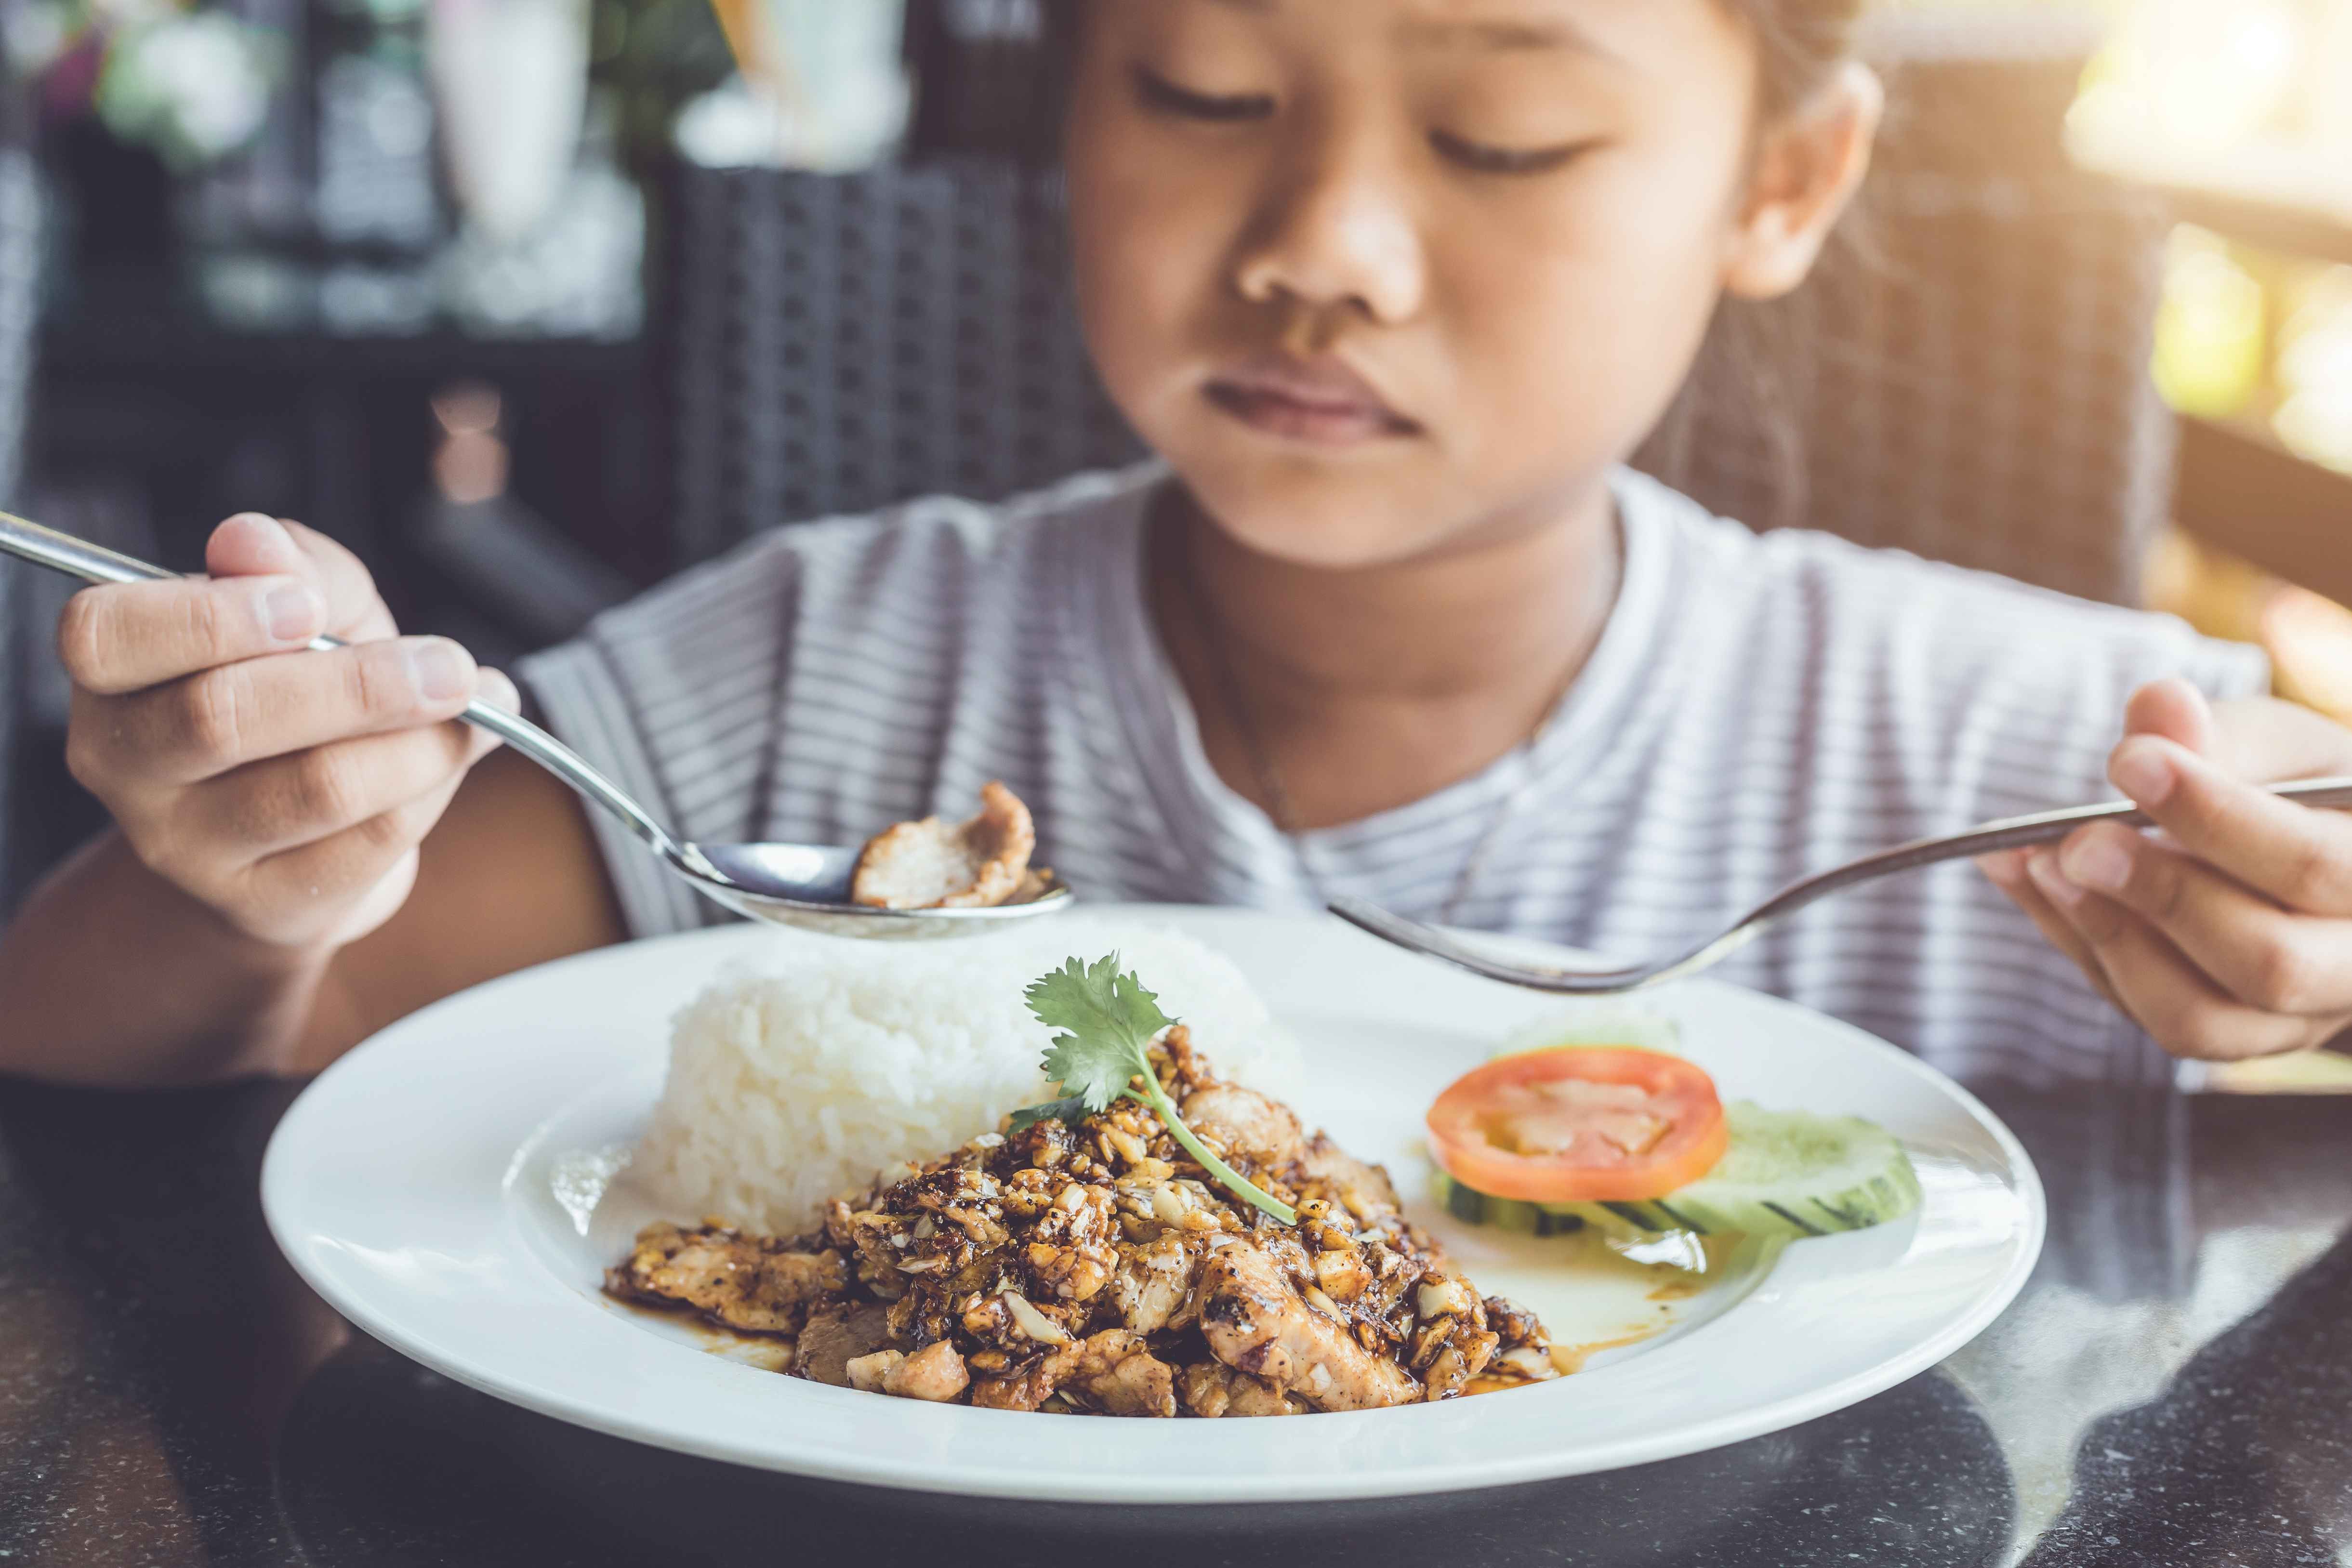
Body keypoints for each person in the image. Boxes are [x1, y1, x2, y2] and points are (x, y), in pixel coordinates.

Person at [5, 0, 2351, 1089]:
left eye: (1506, 135)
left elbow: (2303, 848)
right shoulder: (822, 677)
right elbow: (144, 1042)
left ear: (1780, 183)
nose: (1321, 244)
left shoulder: (2003, 755)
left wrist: (2311, 960)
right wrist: (255, 878)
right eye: (1209, 93)